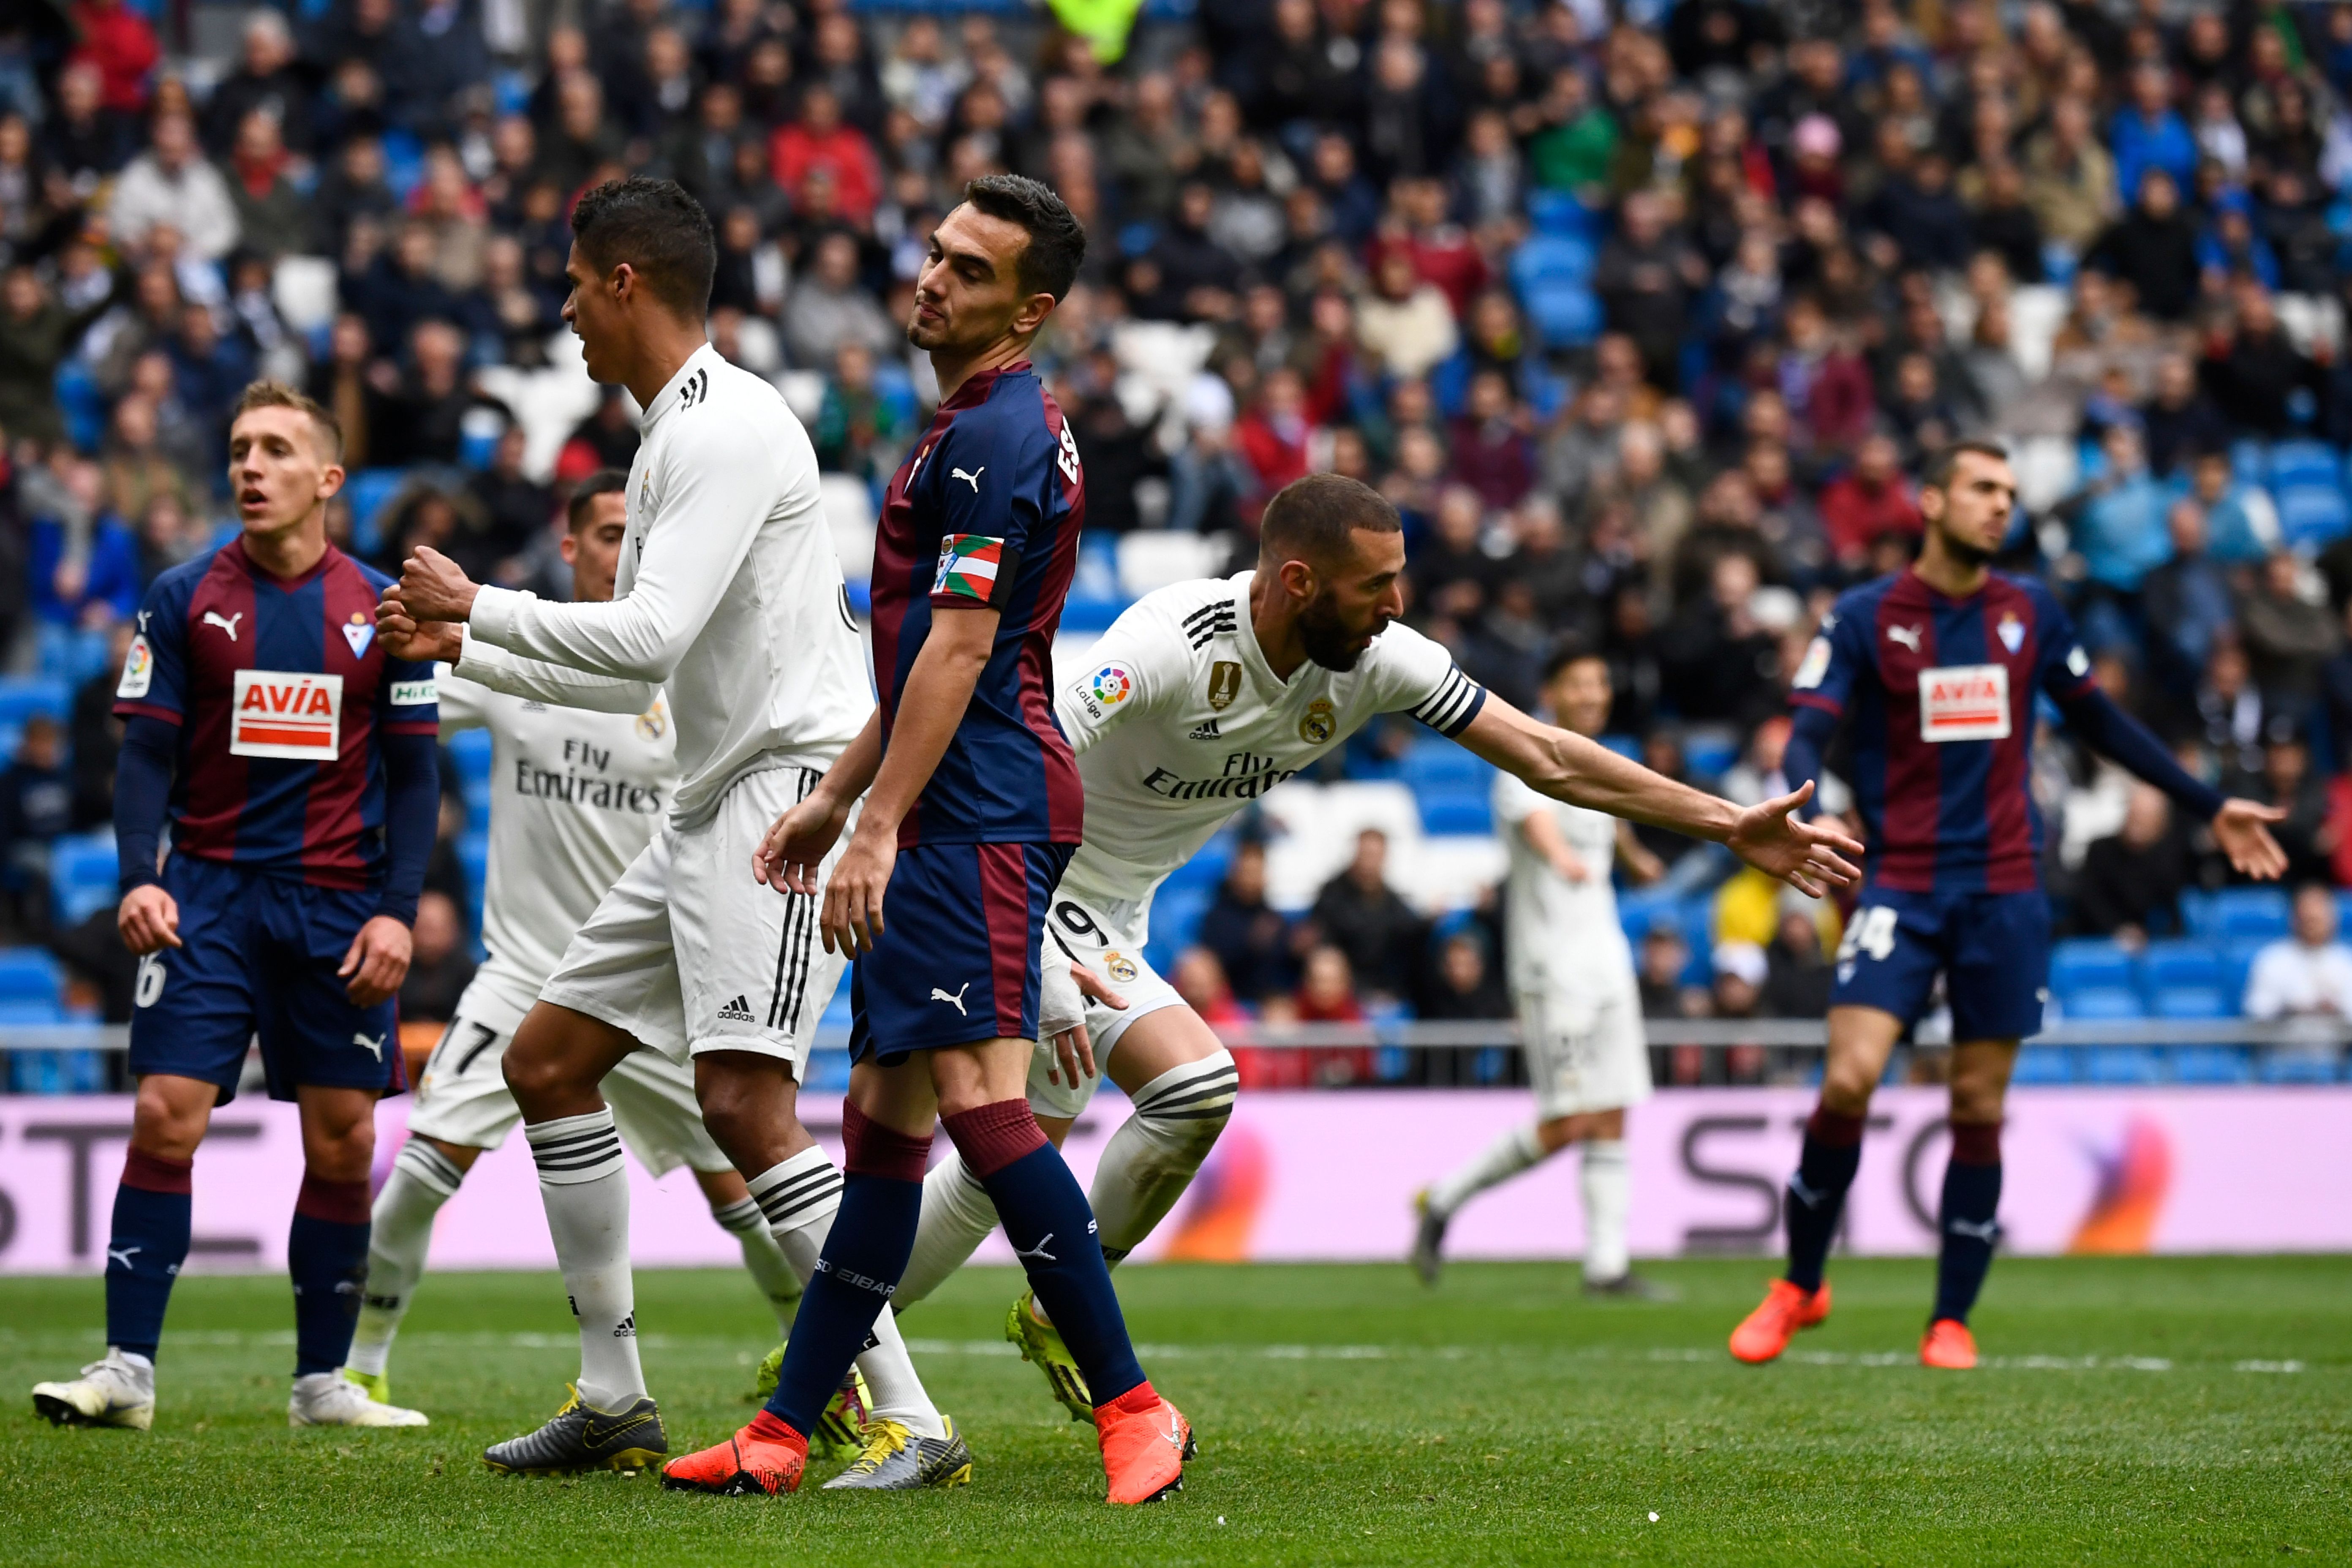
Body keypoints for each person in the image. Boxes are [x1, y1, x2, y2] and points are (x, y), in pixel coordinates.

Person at [885, 472, 1860, 1424]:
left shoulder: (1384, 659)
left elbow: (1550, 755)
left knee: (997, 1163)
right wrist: (1035, 956)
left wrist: (1731, 823)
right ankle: (1004, 1321)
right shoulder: (1169, 640)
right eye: (1375, 585)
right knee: (1182, 1089)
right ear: (1298, 582)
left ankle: (840, 1344)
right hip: (1022, 882)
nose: (1397, 605)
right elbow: (1012, 758)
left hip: (1116, 910)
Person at [375, 177, 952, 1485]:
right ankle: (613, 1395)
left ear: (625, 281)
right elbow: (631, 673)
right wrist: (469, 635)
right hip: (707, 795)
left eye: (576, 284)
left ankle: (909, 1412)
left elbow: (646, 637)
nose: (566, 309)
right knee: (548, 1057)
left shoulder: (729, 427)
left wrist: (482, 602)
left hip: (778, 798)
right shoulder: (672, 432)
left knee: (745, 1102)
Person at [684, 173, 1195, 1507]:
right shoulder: (963, 426)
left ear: (1028, 309)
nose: (932, 278)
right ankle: (787, 1427)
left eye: (969, 270)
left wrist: (879, 823)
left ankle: (1134, 1407)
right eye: (934, 253)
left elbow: (966, 647)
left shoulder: (1000, 437)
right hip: (945, 787)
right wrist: (842, 793)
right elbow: (921, 654)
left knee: (979, 1103)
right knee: (878, 1126)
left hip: (977, 806)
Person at [348, 472, 888, 1460]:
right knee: (436, 1158)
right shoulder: (530, 660)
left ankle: (848, 1379)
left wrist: (471, 619)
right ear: (569, 547)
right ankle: (364, 1366)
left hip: (675, 960)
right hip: (529, 968)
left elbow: (636, 675)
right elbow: (398, 704)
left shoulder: (677, 661)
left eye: (630, 532)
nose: (617, 547)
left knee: (746, 1174)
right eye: (602, 532)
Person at [1732, 441, 2287, 1373]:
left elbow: (2102, 723)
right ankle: (1801, 1281)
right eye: (1984, 489)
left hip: (2005, 887)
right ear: (1934, 499)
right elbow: (1811, 731)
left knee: (1977, 1100)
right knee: (1847, 1081)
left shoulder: (2031, 610)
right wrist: (1803, 800)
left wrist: (2207, 801)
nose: (2002, 507)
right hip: (1900, 883)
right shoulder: (1867, 616)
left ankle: (1951, 1318)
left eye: (2011, 494)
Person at [32, 382, 441, 1432]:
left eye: (274, 450)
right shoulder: (181, 597)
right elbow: (146, 757)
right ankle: (127, 1368)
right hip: (208, 895)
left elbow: (414, 776)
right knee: (165, 1112)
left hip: (339, 907)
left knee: (344, 1140)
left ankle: (321, 1385)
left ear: (328, 480)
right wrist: (140, 875)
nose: (249, 467)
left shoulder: (382, 607)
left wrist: (398, 910)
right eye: (239, 449)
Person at [1411, 645, 1669, 1298]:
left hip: (1607, 960)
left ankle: (1606, 1265)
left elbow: (1612, 823)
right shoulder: (1523, 763)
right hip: (1553, 967)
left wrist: (1636, 859)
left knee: (1614, 1110)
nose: (1592, 694)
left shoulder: (1600, 762)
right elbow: (1538, 821)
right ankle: (1444, 1198)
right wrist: (1563, 858)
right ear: (1552, 692)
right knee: (1572, 1118)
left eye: (1600, 682)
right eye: (1578, 684)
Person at [2243, 883, 2352, 1020]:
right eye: (2308, 920)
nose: (2313, 926)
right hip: (2285, 1040)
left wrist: (2332, 1010)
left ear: (2333, 920)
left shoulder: (2347, 961)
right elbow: (2257, 1011)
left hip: (2335, 1041)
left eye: (2317, 920)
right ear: (2295, 919)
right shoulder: (2273, 959)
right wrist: (2292, 1010)